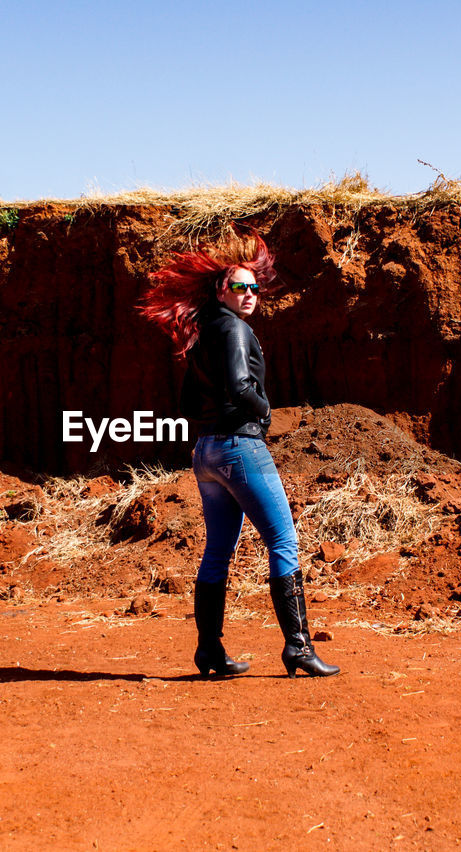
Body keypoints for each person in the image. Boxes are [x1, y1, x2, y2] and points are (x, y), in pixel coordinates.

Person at [139, 230, 338, 678]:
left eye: (254, 287)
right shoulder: (234, 329)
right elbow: (240, 386)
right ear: (219, 291)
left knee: (218, 551)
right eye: (238, 287)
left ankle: (210, 651)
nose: (248, 295)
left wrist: (217, 423)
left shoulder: (204, 331)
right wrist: (264, 414)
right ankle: (298, 648)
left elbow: (187, 404)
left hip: (206, 452)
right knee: (283, 542)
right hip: (239, 446)